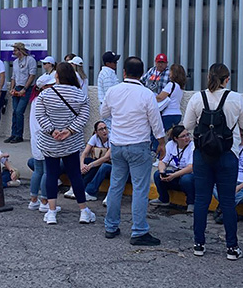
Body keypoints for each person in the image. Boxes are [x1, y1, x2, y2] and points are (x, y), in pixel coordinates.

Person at [183, 63, 243, 260]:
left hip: (202, 154)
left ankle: (198, 244)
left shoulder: (197, 98)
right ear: (226, 79)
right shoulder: (235, 98)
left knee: (201, 200)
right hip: (228, 153)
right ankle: (232, 247)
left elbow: (187, 125)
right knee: (228, 201)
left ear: (208, 77)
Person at [101, 56, 165, 245]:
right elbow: (156, 122)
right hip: (138, 145)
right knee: (139, 188)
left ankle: (110, 226)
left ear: (124, 72)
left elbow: (104, 113)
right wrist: (161, 143)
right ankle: (138, 231)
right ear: (142, 73)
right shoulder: (146, 94)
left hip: (117, 145)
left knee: (116, 186)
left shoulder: (113, 91)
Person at [35, 62, 95, 225]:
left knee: (51, 175)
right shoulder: (79, 94)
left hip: (50, 142)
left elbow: (39, 115)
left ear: (57, 76)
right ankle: (83, 211)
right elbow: (84, 117)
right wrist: (69, 131)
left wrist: (52, 130)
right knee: (75, 175)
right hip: (71, 142)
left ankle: (52, 212)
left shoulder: (45, 95)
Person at [27, 74, 57, 212]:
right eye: (51, 85)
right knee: (47, 171)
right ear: (44, 87)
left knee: (38, 170)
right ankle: (45, 201)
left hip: (36, 139)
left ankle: (34, 200)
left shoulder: (35, 100)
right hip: (46, 139)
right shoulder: (45, 100)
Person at [150, 125, 195, 212]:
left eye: (187, 135)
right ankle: (163, 199)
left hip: (187, 176)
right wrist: (162, 172)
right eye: (183, 136)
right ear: (175, 138)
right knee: (157, 175)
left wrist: (173, 175)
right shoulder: (171, 145)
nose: (187, 138)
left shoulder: (192, 146)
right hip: (175, 174)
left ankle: (191, 203)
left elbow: (191, 167)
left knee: (186, 179)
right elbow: (162, 161)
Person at [64, 120, 111, 201]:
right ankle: (76, 187)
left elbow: (106, 157)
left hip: (109, 164)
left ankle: (90, 192)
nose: (104, 131)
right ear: (96, 132)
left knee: (101, 166)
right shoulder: (95, 138)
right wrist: (82, 164)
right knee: (85, 161)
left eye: (105, 128)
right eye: (101, 129)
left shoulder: (112, 138)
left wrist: (90, 165)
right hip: (97, 163)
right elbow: (85, 153)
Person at [7, 42, 37, 144]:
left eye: (15, 50)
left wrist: (24, 88)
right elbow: (13, 77)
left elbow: (32, 75)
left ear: (20, 50)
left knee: (19, 111)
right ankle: (13, 133)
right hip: (17, 87)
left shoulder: (30, 60)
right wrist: (12, 88)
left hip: (26, 88)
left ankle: (19, 135)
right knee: (15, 111)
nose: (13, 52)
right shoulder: (15, 62)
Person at [156, 63, 186, 132]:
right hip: (178, 114)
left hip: (168, 114)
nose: (169, 73)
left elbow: (160, 97)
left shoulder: (171, 85)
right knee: (173, 136)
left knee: (158, 134)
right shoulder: (180, 87)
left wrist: (152, 97)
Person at [97, 51, 120, 130]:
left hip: (108, 106)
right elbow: (109, 94)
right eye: (113, 61)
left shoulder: (109, 73)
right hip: (109, 106)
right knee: (110, 130)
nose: (115, 63)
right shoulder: (107, 74)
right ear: (107, 63)